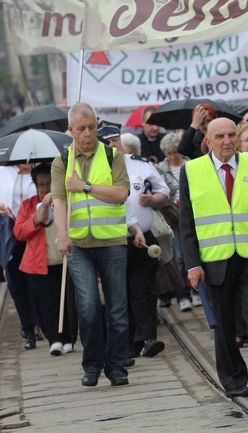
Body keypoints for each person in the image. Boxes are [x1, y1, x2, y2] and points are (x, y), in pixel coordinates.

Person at [179, 117, 248, 398]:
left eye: (231, 135)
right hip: (215, 260)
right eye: (220, 137)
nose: (227, 141)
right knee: (225, 325)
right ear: (208, 141)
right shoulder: (192, 170)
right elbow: (186, 223)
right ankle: (234, 380)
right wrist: (193, 264)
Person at [51, 102, 131, 387]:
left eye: (92, 128)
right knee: (88, 307)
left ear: (97, 126)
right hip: (78, 244)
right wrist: (62, 234)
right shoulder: (62, 160)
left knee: (118, 309)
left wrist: (84, 186)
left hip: (112, 241)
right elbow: (59, 201)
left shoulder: (112, 156)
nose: (87, 134)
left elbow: (121, 193)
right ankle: (92, 364)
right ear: (70, 130)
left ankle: (117, 365)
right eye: (81, 129)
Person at [101, 127, 169, 360]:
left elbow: (164, 191)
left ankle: (148, 338)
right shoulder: (95, 170)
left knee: (142, 289)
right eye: (107, 142)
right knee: (120, 293)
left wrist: (152, 199)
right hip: (112, 240)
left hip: (142, 239)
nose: (113, 145)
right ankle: (129, 342)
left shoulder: (140, 165)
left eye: (115, 140)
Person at [13, 163, 77, 356]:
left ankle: (69, 338)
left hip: (65, 259)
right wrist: (35, 218)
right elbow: (19, 232)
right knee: (46, 302)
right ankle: (54, 339)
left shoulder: (65, 201)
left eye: (48, 183)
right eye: (40, 184)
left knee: (68, 301)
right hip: (40, 264)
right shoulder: (28, 205)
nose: (44, 188)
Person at [157, 130, 199, 311]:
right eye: (169, 153)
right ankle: (183, 294)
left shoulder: (190, 164)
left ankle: (196, 291)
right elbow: (162, 191)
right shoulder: (160, 168)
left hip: (192, 213)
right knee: (179, 257)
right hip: (174, 217)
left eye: (175, 152)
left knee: (195, 254)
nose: (173, 156)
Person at [0, 164, 37, 349]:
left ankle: (40, 323)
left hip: (36, 232)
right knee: (16, 283)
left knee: (35, 282)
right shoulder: (3, 172)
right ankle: (28, 328)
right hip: (11, 232)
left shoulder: (41, 171)